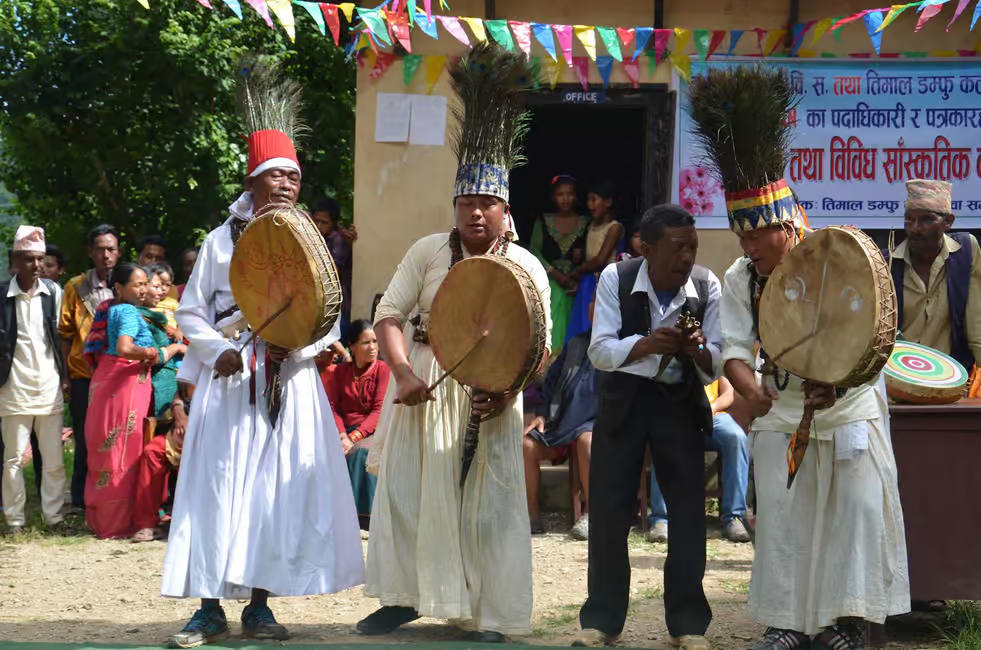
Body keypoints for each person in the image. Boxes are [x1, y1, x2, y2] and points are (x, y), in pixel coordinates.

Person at [689, 65, 909, 650]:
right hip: (783, 405)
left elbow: (875, 337)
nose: (746, 249)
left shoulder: (841, 256)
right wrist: (749, 387)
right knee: (784, 518)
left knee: (852, 517)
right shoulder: (743, 276)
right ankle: (786, 621)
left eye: (753, 237)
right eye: (740, 239)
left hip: (850, 405)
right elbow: (734, 347)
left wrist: (837, 383)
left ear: (783, 227)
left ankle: (845, 622)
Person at [160, 61, 363, 649]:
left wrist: (307, 343)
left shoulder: (310, 241)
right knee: (218, 486)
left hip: (286, 377)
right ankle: (206, 606)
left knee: (273, 492)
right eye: (275, 176)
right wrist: (219, 349)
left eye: (294, 179)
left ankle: (260, 606)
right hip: (231, 382)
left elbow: (326, 314)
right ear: (252, 180)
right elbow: (191, 311)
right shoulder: (219, 240)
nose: (286, 186)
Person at [358, 44, 550, 643]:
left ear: (505, 207)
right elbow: (388, 316)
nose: (474, 213)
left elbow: (539, 348)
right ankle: (402, 598)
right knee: (409, 497)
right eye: (466, 202)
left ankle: (488, 612)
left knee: (488, 508)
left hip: (493, 397)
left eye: (486, 203)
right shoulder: (427, 252)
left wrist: (507, 390)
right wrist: (402, 372)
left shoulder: (526, 265)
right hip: (424, 390)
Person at [576, 204, 721, 650]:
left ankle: (688, 625)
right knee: (608, 512)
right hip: (624, 403)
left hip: (679, 406)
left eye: (692, 248)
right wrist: (646, 345)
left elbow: (716, 362)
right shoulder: (616, 279)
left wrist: (696, 352)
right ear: (646, 247)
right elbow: (599, 352)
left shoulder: (706, 285)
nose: (687, 258)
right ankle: (602, 620)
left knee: (687, 514)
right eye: (678, 249)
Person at [82, 262, 182, 539]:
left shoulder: (113, 310)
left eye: (143, 284)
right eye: (136, 285)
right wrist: (162, 350)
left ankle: (104, 518)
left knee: (107, 448)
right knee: (124, 449)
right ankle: (120, 521)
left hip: (109, 381)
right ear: (119, 288)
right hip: (125, 383)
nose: (142, 290)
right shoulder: (126, 310)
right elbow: (126, 348)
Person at [1, 226, 68, 533]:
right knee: (13, 460)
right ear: (15, 261)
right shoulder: (2, 295)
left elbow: (62, 339)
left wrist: (64, 376)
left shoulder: (54, 293)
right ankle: (15, 521)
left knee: (53, 460)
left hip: (48, 386)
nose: (37, 266)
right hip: (12, 388)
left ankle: (54, 518)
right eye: (29, 259)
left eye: (40, 259)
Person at [889, 179, 981, 374]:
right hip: (898, 381)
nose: (915, 228)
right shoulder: (887, 263)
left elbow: (977, 325)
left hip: (953, 381)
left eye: (926, 219)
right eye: (909, 219)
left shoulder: (966, 252)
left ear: (948, 222)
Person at [646, 376, 751, 544]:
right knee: (664, 438)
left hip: (714, 416)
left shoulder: (714, 352)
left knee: (736, 437)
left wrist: (710, 408)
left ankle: (734, 517)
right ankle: (661, 519)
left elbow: (728, 393)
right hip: (678, 416)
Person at [59, 223, 120, 510]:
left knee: (116, 433)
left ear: (118, 252)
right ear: (90, 252)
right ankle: (80, 497)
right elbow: (65, 334)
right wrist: (66, 376)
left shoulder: (129, 282)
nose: (106, 255)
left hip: (119, 374)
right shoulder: (75, 286)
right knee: (85, 434)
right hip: (84, 373)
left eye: (111, 249)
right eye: (100, 249)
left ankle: (112, 494)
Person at [522, 308, 596, 540]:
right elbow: (550, 382)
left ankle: (592, 516)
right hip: (561, 424)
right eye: (593, 301)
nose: (595, 306)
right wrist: (542, 415)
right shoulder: (575, 344)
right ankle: (531, 517)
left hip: (597, 426)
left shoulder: (620, 345)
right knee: (527, 445)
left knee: (587, 440)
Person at [322, 319, 391, 531]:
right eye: (365, 343)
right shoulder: (341, 372)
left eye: (375, 342)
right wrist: (343, 435)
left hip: (371, 432)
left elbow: (379, 411)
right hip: (343, 432)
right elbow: (331, 406)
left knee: (361, 453)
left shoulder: (382, 369)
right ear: (351, 346)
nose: (373, 348)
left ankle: (363, 517)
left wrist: (354, 438)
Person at [131, 351, 198, 543]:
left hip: (214, 433)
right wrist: (178, 409)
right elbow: (182, 390)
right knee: (153, 451)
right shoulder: (193, 351)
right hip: (182, 430)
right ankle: (148, 523)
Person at [529, 175, 589, 351]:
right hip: (550, 283)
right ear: (553, 197)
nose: (565, 198)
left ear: (576, 197)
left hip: (577, 286)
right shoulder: (543, 221)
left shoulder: (586, 222)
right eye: (560, 194)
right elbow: (535, 251)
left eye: (569, 194)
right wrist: (555, 275)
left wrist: (577, 274)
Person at [566, 180, 624, 344]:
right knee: (581, 326)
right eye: (588, 200)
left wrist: (578, 270)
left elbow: (600, 260)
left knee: (595, 327)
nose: (590, 205)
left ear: (608, 202)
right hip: (588, 282)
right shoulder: (590, 225)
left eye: (594, 199)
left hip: (603, 282)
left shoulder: (614, 227)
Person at [140, 266, 187, 420]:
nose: (161, 292)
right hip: (150, 385)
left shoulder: (155, 317)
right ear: (141, 288)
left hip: (163, 379)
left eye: (163, 287)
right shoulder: (139, 318)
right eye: (156, 287)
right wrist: (177, 347)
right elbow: (151, 357)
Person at [311, 198, 357, 335]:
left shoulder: (338, 240)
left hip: (336, 308)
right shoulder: (316, 237)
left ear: (334, 224)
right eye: (316, 220)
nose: (318, 225)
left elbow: (328, 273)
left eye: (324, 222)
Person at [148, 262, 181, 330]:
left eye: (168, 285)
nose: (164, 288)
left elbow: (183, 319)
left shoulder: (173, 303)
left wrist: (179, 331)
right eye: (160, 284)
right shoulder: (147, 302)